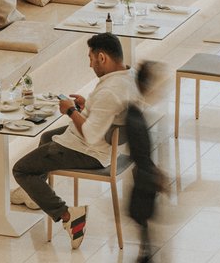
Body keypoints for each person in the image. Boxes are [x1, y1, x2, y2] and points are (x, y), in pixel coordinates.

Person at [91, 61, 202, 263]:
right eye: (161, 82)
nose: (164, 88)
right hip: (143, 204)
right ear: (149, 85)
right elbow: (142, 165)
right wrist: (163, 182)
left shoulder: (138, 112)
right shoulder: (137, 118)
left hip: (141, 204)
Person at [13, 32, 138, 250]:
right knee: (46, 136)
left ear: (102, 58)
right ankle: (36, 193)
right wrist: (86, 106)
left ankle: (68, 214)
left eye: (90, 58)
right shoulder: (128, 76)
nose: (90, 65)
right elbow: (106, 113)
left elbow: (90, 134)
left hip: (89, 151)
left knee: (21, 169)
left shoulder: (110, 90)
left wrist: (70, 111)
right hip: (102, 143)